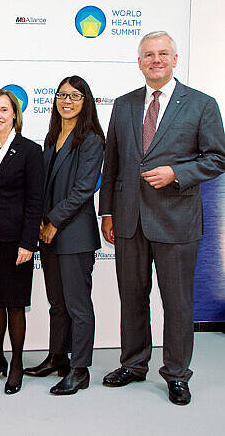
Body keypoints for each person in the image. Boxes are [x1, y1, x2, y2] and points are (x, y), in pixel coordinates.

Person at [99, 31, 225, 405]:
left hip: (177, 220)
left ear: (174, 59)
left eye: (163, 54)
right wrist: (107, 210)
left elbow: (217, 158)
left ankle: (176, 374)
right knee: (132, 298)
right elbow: (113, 163)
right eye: (148, 55)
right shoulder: (123, 105)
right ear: (139, 62)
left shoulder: (202, 104)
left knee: (178, 303)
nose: (156, 60)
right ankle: (134, 364)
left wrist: (177, 173)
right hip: (128, 219)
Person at [24, 76, 105, 395]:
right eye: (62, 95)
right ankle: (57, 356)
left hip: (74, 234)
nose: (66, 101)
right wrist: (40, 219)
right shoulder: (52, 135)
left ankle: (80, 368)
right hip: (49, 233)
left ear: (86, 101)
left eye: (75, 96)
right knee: (57, 303)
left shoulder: (92, 138)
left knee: (77, 304)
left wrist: (54, 221)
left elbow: (84, 188)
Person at [0, 89, 43, 394]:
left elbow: (35, 201)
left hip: (16, 241)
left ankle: (16, 363)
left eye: (4, 110)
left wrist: (28, 243)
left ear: (14, 113)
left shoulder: (30, 150)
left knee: (14, 304)